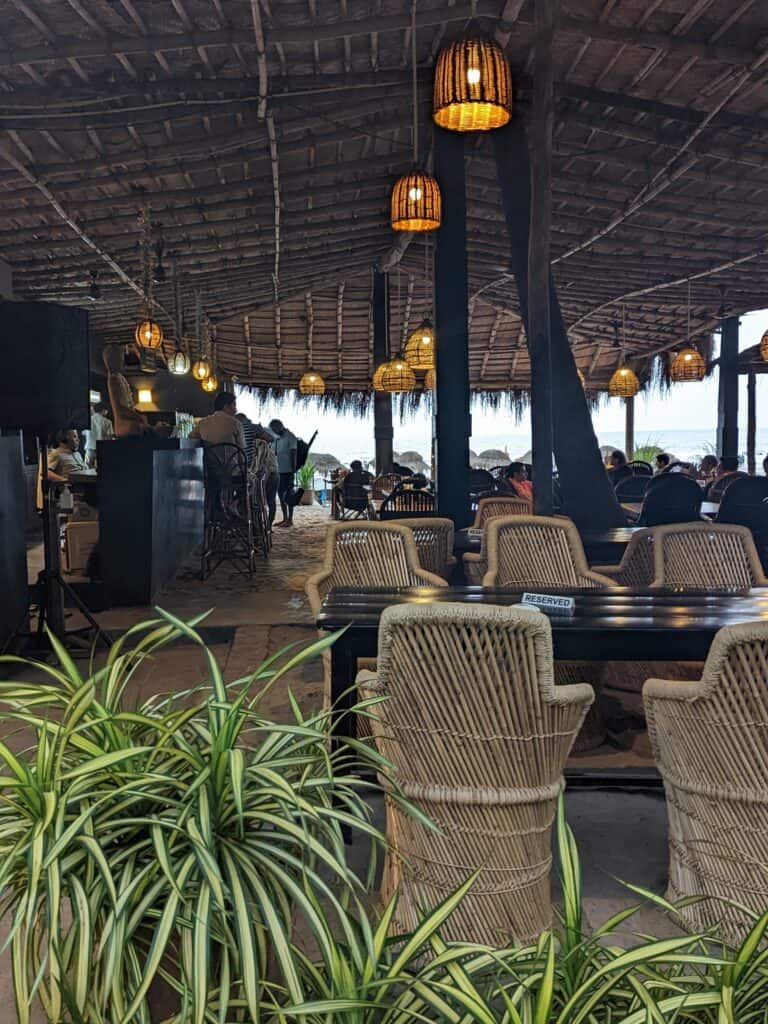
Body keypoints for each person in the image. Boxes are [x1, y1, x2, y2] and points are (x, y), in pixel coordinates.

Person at [236, 413, 279, 526]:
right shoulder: (258, 436)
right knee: (265, 499)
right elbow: (271, 438)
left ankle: (250, 523)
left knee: (253, 497)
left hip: (252, 473)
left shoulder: (237, 431)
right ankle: (263, 525)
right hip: (260, 473)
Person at [102, 344, 148, 437]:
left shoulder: (118, 377)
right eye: (120, 357)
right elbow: (119, 408)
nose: (122, 360)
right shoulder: (113, 379)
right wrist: (139, 418)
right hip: (125, 425)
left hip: (127, 423)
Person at [269, 418, 298, 527]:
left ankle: (290, 519)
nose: (274, 432)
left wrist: (293, 470)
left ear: (280, 426)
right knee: (281, 495)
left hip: (288, 471)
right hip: (278, 470)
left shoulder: (290, 437)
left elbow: (293, 453)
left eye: (275, 429)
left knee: (289, 496)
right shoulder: (277, 438)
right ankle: (285, 518)